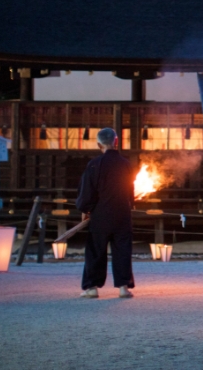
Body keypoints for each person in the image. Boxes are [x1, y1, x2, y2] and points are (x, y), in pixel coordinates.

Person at [77, 128, 135, 299]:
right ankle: (123, 287)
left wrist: (85, 209)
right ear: (116, 142)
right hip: (122, 213)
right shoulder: (126, 164)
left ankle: (92, 288)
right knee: (123, 250)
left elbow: (87, 191)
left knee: (96, 250)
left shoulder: (95, 164)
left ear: (98, 144)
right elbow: (131, 190)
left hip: (100, 214)